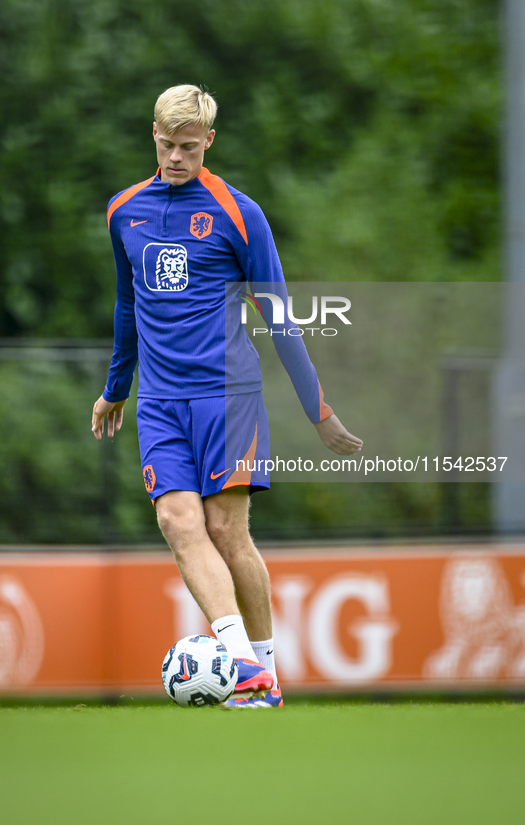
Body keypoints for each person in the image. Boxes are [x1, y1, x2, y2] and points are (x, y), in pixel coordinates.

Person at [91, 85, 363, 708]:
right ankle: (243, 668)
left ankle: (262, 671)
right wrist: (116, 388)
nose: (177, 157)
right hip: (160, 400)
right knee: (175, 520)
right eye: (166, 145)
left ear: (209, 140)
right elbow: (127, 302)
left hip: (228, 396)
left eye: (189, 146)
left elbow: (280, 317)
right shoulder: (123, 212)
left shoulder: (241, 213)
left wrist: (317, 410)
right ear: (152, 135)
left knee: (225, 529)